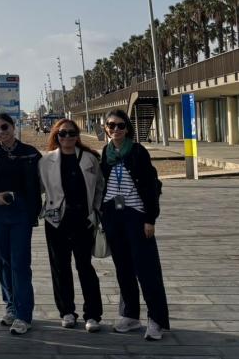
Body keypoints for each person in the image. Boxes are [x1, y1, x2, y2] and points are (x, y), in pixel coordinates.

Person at [100, 109, 169, 341]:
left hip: (137, 216)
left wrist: (150, 218)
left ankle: (156, 319)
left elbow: (151, 187)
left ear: (127, 128)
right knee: (123, 268)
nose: (115, 129)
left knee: (147, 269)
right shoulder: (106, 152)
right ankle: (130, 314)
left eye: (120, 125)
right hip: (113, 216)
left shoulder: (138, 152)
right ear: (106, 128)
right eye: (111, 125)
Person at [39, 119, 105, 332]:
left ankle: (93, 314)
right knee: (60, 268)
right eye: (62, 133)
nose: (67, 137)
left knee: (85, 267)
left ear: (77, 135)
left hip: (83, 220)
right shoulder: (46, 160)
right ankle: (67, 311)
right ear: (56, 136)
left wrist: (95, 212)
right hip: (56, 221)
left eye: (71, 133)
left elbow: (100, 188)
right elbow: (37, 187)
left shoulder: (90, 158)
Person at [0, 113, 41, 336]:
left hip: (21, 213)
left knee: (20, 264)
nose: (1, 132)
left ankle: (24, 315)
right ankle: (11, 307)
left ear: (13, 127)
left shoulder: (30, 153)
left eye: (5, 127)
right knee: (3, 262)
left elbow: (42, 182)